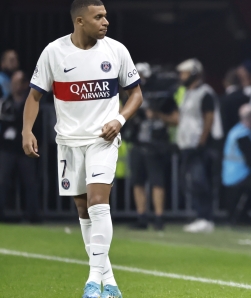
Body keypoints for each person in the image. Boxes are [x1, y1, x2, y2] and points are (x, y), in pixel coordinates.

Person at [22, 1, 143, 297]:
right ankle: (110, 283)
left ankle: (92, 281)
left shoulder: (116, 50)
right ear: (80, 21)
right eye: (98, 17)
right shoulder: (54, 52)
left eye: (106, 16)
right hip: (68, 142)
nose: (106, 22)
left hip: (103, 139)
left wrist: (118, 119)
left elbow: (136, 94)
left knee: (99, 203)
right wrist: (27, 130)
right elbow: (34, 96)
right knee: (83, 210)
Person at [129, 62, 178, 231]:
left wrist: (157, 115)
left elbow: (175, 119)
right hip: (137, 142)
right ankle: (141, 216)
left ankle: (158, 217)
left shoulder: (162, 95)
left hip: (155, 144)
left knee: (157, 181)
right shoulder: (132, 94)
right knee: (137, 181)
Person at [176, 58, 224, 233]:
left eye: (185, 73)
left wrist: (202, 141)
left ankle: (205, 217)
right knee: (191, 181)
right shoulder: (187, 92)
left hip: (200, 145)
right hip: (188, 144)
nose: (181, 76)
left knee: (200, 181)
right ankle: (200, 216)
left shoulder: (205, 92)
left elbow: (209, 118)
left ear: (194, 73)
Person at [0, 71, 40, 223]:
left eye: (18, 83)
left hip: (25, 149)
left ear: (24, 85)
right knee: (2, 182)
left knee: (30, 182)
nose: (15, 86)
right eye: (13, 82)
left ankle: (32, 215)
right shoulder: (6, 101)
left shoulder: (30, 102)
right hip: (7, 148)